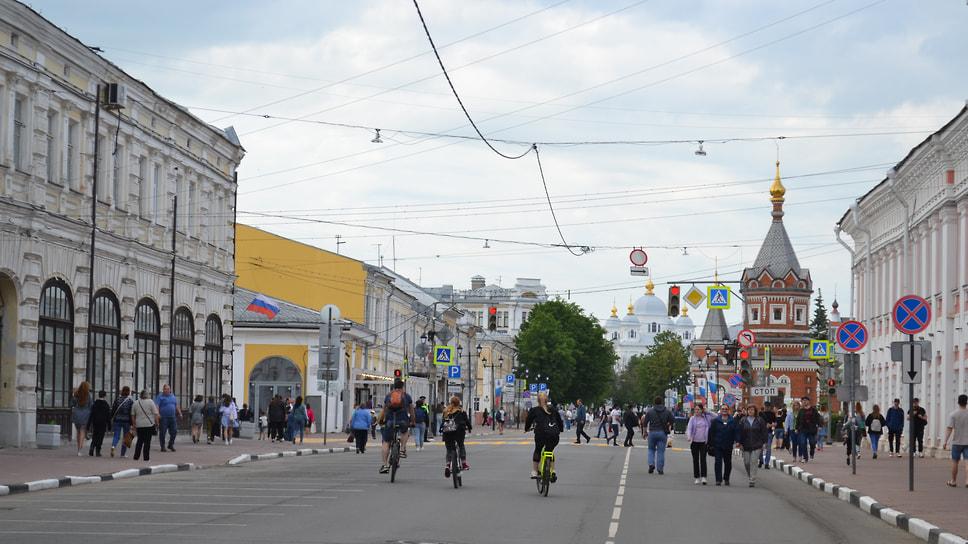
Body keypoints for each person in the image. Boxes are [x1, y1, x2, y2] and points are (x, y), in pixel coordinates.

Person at [379, 378, 416, 474]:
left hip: (390, 420)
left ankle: (384, 465)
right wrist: (412, 421)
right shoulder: (406, 396)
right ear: (402, 387)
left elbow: (384, 409)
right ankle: (402, 450)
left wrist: (381, 420)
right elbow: (411, 410)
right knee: (405, 431)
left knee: (386, 442)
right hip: (403, 420)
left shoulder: (389, 395)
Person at [524, 391, 564, 480]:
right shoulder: (553, 409)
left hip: (540, 434)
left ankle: (534, 471)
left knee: (538, 450)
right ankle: (553, 471)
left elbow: (528, 420)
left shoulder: (535, 410)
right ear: (547, 400)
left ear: (538, 400)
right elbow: (559, 421)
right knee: (549, 450)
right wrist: (560, 430)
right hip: (553, 435)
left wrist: (526, 428)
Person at [736, 404, 769, 487]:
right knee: (747, 462)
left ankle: (752, 480)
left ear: (755, 411)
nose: (750, 411)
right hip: (746, 444)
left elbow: (764, 432)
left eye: (752, 410)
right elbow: (739, 432)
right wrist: (739, 443)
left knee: (753, 462)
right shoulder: (743, 420)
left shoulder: (759, 420)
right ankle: (750, 476)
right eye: (749, 410)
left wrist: (764, 442)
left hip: (757, 444)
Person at [642, 396, 675, 475]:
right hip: (662, 433)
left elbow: (645, 423)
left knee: (651, 449)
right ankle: (660, 469)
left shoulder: (650, 412)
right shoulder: (667, 411)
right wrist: (668, 425)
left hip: (652, 432)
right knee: (661, 451)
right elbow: (673, 419)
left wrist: (644, 432)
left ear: (654, 402)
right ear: (661, 402)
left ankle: (651, 464)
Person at [686, 403, 717, 484]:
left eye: (698, 409)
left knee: (703, 459)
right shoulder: (693, 419)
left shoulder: (706, 418)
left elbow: (716, 416)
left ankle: (704, 477)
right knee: (695, 460)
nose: (697, 411)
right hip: (694, 441)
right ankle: (697, 477)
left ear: (702, 410)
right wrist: (689, 436)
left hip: (704, 442)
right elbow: (689, 428)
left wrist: (707, 411)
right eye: (695, 409)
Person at [709, 404, 740, 485]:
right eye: (723, 409)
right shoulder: (715, 421)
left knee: (728, 463)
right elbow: (711, 433)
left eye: (726, 409)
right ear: (720, 410)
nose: (724, 410)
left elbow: (736, 432)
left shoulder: (733, 421)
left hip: (728, 444)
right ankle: (718, 479)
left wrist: (737, 441)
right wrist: (711, 444)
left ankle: (726, 478)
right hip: (718, 444)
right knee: (718, 462)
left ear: (728, 410)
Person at [441, 396, 473, 475]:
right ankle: (464, 463)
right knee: (461, 446)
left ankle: (448, 465)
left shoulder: (446, 411)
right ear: (459, 403)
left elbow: (443, 422)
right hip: (459, 434)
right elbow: (467, 422)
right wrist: (469, 428)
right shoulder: (462, 412)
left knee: (449, 450)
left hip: (448, 434)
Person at [942, 394, 968, 487]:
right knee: (967, 461)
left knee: (955, 461)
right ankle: (967, 480)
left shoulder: (953, 414)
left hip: (957, 442)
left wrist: (945, 441)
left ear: (958, 402)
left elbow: (950, 428)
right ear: (966, 402)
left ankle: (953, 481)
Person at [132, 389, 160, 462]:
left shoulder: (136, 403)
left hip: (139, 424)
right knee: (147, 442)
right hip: (149, 424)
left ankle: (136, 456)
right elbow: (155, 413)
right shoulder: (150, 402)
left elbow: (133, 415)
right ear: (147, 395)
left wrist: (134, 424)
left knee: (139, 441)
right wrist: (157, 422)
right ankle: (146, 458)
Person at [155, 384, 183, 452]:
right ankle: (163, 446)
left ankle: (171, 444)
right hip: (163, 417)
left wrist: (180, 413)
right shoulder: (160, 396)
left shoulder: (172, 396)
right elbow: (157, 405)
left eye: (168, 389)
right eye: (165, 389)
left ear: (170, 390)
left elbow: (176, 405)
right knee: (163, 432)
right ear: (163, 390)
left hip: (172, 417)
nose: (167, 390)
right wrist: (157, 413)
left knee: (174, 431)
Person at [109, 386, 133, 458]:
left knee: (116, 436)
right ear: (128, 392)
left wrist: (111, 418)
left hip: (117, 420)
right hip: (126, 421)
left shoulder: (117, 400)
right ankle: (123, 454)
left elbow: (113, 410)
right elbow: (131, 413)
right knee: (126, 437)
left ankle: (113, 446)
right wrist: (132, 423)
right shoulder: (130, 401)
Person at [795, 396, 822, 463]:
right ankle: (805, 457)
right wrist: (796, 428)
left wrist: (819, 426)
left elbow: (818, 418)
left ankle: (812, 453)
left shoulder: (813, 410)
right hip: (803, 429)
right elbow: (798, 420)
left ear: (808, 401)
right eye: (803, 401)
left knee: (812, 442)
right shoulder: (801, 410)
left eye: (805, 400)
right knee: (803, 443)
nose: (804, 402)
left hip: (811, 429)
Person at [70, 381, 93, 456]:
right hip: (85, 415)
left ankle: (78, 448)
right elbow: (91, 406)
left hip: (76, 414)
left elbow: (72, 404)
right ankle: (80, 449)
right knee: (82, 431)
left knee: (78, 431)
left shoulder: (76, 394)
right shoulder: (88, 396)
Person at [88, 390, 111, 457]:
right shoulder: (106, 405)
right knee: (100, 436)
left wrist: (88, 424)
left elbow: (91, 414)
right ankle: (98, 451)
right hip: (103, 422)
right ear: (104, 396)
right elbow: (108, 416)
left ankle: (92, 447)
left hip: (95, 422)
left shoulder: (95, 404)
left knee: (95, 435)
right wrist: (109, 425)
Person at [758, 401, 777, 469]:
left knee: (768, 449)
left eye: (768, 406)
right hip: (760, 433)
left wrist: (771, 425)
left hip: (768, 432)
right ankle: (761, 460)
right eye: (766, 406)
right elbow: (757, 422)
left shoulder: (772, 414)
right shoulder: (760, 413)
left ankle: (766, 463)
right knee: (760, 448)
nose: (767, 407)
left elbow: (775, 423)